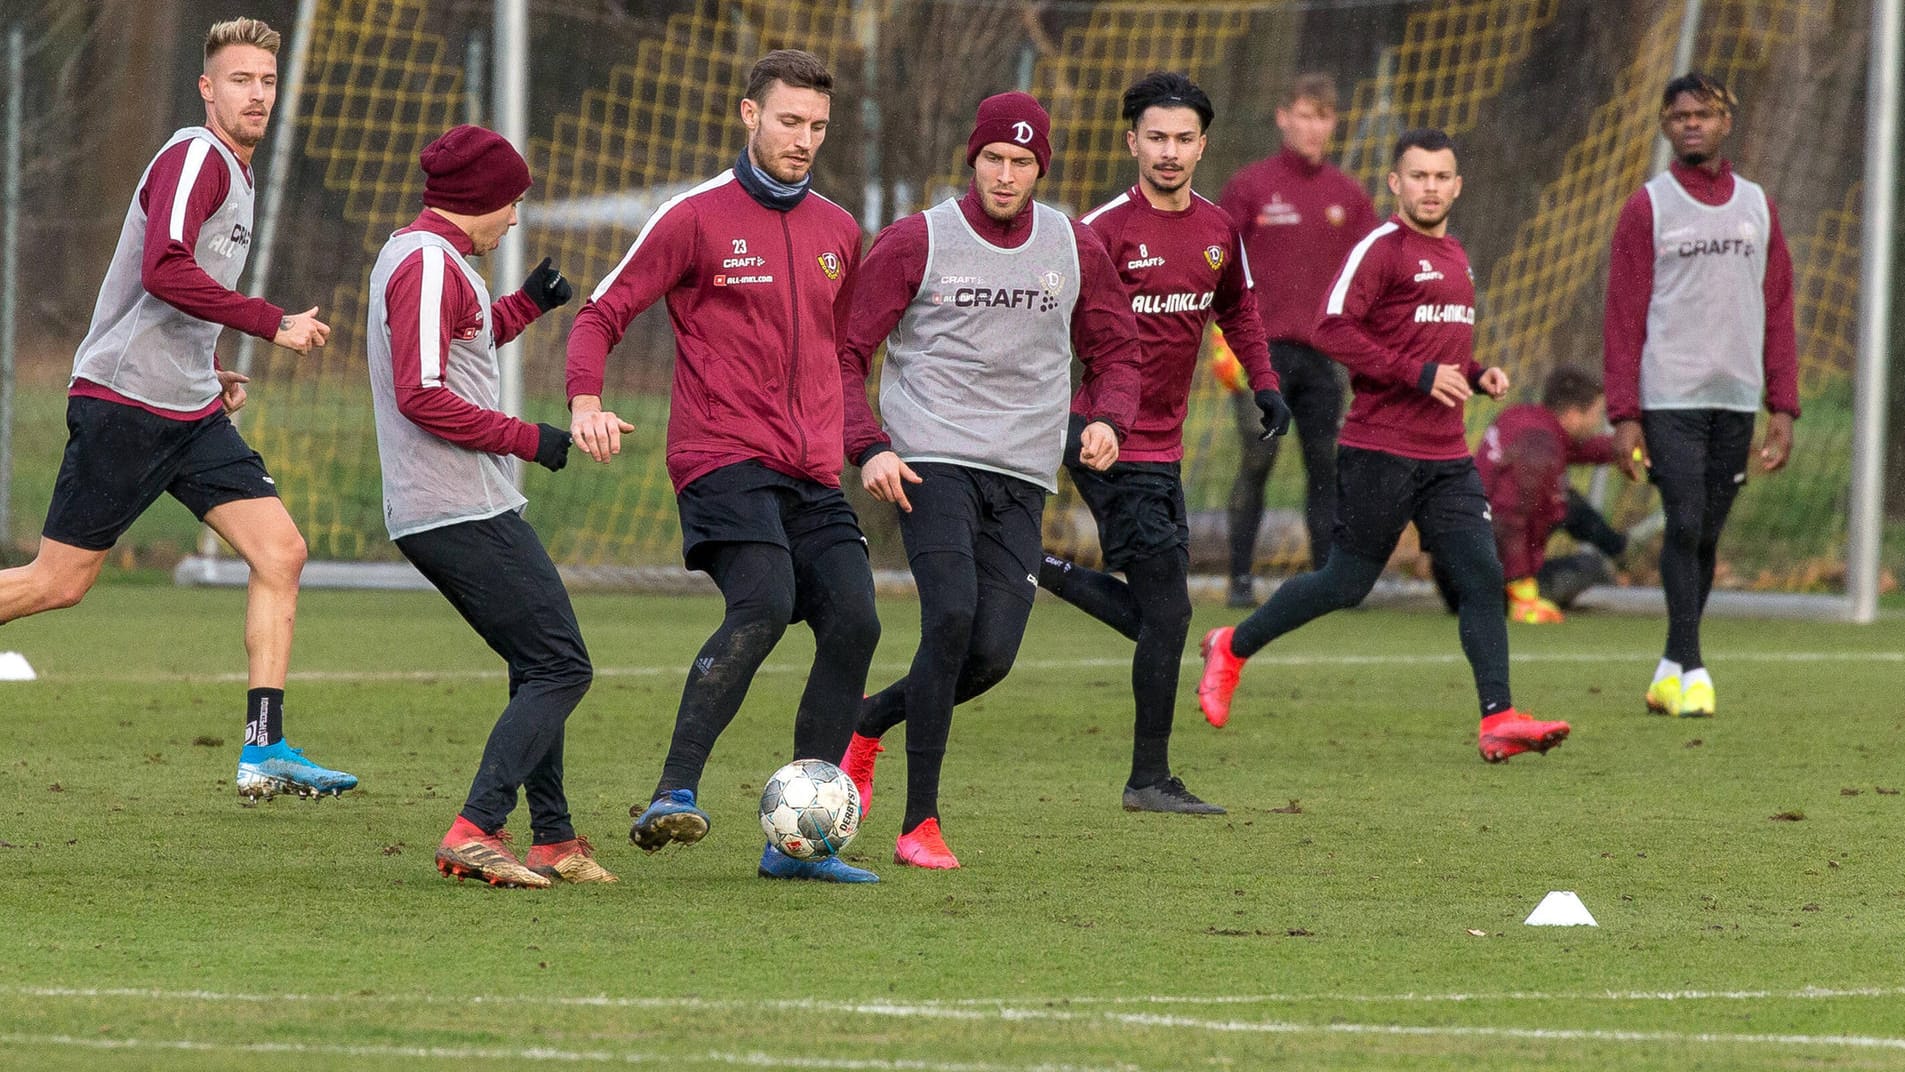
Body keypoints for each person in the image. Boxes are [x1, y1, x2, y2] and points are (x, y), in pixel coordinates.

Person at [0, 17, 355, 800]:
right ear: (207, 88)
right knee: (58, 582)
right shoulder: (196, 156)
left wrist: (212, 363)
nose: (256, 94)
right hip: (126, 404)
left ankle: (265, 748)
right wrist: (271, 322)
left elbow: (173, 295)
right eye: (240, 80)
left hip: (188, 408)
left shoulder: (237, 170)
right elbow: (163, 268)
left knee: (280, 552)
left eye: (266, 80)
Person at [565, 50, 882, 883]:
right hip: (721, 456)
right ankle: (673, 792)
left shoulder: (840, 231)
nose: (803, 139)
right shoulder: (695, 217)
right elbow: (601, 313)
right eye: (788, 121)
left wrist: (861, 440)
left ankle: (799, 844)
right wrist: (584, 401)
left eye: (817, 125)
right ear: (749, 115)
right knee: (765, 603)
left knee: (856, 621)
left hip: (810, 471)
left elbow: (839, 352)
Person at [1195, 128, 1571, 764]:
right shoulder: (1380, 248)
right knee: (1346, 582)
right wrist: (1420, 375)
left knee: (1483, 578)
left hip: (1447, 456)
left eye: (1441, 176)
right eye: (1417, 176)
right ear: (1396, 184)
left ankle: (1498, 716)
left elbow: (1432, 340)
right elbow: (1332, 329)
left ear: (1457, 185)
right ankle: (1232, 645)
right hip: (1380, 449)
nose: (1430, 187)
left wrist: (1474, 372)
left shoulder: (1454, 254)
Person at [837, 91, 1142, 869]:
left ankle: (869, 721)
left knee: (991, 655)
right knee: (948, 619)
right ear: (971, 161)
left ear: (1041, 167)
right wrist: (867, 444)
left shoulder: (1073, 245)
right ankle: (919, 824)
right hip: (929, 459)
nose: (1006, 175)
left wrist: (1108, 417)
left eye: (1022, 162)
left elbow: (1117, 350)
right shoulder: (915, 242)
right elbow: (845, 352)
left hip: (1022, 472)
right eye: (993, 160)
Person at [1035, 73, 1288, 815]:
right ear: (1131, 142)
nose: (1169, 152)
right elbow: (1049, 327)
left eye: (1182, 139)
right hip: (1105, 439)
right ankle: (1147, 780)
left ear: (1202, 144)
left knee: (1158, 617)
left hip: (1163, 445)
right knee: (1170, 616)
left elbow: (1239, 310)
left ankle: (1035, 565)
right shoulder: (1100, 231)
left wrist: (1263, 383)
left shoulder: (1217, 230)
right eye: (1155, 137)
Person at [365, 125, 610, 888]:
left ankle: (555, 839)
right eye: (511, 201)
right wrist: (527, 438)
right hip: (455, 505)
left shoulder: (425, 257)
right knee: (562, 666)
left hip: (456, 502)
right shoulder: (430, 266)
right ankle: (478, 825)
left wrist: (527, 305)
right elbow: (422, 393)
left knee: (538, 661)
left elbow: (460, 342)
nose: (515, 217)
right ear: (480, 200)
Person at [1603, 72, 1798, 719]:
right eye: (1678, 114)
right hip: (1669, 399)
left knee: (1705, 535)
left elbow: (1778, 307)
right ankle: (1694, 667)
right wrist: (1623, 414)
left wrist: (1783, 407)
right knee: (1683, 521)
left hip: (1735, 400)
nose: (1691, 122)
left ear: (1725, 122)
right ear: (1664, 126)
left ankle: (1668, 666)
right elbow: (1623, 315)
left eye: (1703, 113)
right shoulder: (1647, 207)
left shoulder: (1756, 205)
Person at [1218, 74, 1379, 606]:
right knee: (1258, 461)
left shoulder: (1348, 197)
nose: (1314, 127)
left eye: (1325, 117)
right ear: (1283, 117)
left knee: (1326, 466)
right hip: (1260, 353)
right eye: (1305, 115)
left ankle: (1326, 582)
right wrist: (1220, 340)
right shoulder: (1250, 187)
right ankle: (1240, 578)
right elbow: (1215, 263)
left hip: (1324, 357)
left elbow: (1374, 273)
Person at [1471, 366, 1628, 624]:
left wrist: (1626, 449)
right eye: (1596, 414)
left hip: (1460, 565)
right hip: (1487, 586)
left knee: (1568, 504)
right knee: (1589, 565)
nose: (1598, 422)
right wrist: (1522, 589)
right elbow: (1508, 519)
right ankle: (1622, 555)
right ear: (1574, 415)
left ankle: (1621, 549)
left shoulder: (1523, 419)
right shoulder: (1540, 448)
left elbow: (1580, 449)